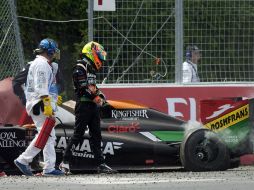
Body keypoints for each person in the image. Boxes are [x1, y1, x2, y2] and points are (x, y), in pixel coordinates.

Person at [59, 41, 115, 174]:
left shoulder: (91, 68)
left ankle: (100, 164)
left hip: (92, 106)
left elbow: (93, 88)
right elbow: (82, 88)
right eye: (99, 55)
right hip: (83, 105)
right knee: (78, 134)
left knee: (97, 135)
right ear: (92, 52)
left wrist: (102, 97)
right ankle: (65, 162)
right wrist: (97, 98)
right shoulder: (80, 66)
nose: (101, 59)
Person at [14, 38, 64, 176]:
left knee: (48, 136)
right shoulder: (42, 64)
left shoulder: (37, 63)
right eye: (53, 51)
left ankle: (48, 167)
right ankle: (23, 160)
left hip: (37, 102)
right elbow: (41, 87)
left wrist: (52, 98)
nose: (55, 54)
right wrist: (48, 105)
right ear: (49, 51)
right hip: (40, 103)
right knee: (45, 134)